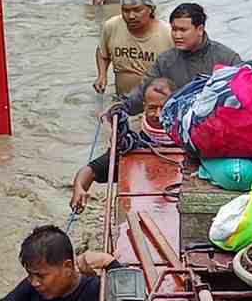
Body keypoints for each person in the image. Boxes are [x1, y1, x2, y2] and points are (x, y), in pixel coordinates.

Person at [115, 2, 242, 116]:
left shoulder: (228, 59)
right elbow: (141, 93)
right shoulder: (165, 61)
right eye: (174, 30)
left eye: (183, 30)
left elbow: (244, 97)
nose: (177, 35)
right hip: (174, 128)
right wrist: (121, 107)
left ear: (200, 30)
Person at [70, 77, 174, 213]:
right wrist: (78, 188)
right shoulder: (132, 145)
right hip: (139, 212)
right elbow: (90, 170)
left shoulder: (189, 143)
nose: (158, 114)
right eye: (152, 108)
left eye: (164, 108)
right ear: (144, 107)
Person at [95, 0, 173, 97]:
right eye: (126, 11)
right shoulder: (112, 26)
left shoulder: (167, 33)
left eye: (137, 10)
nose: (131, 16)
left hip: (153, 104)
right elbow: (102, 53)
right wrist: (102, 76)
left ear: (150, 9)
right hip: (122, 99)